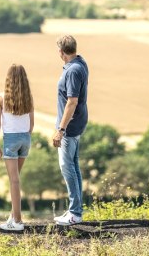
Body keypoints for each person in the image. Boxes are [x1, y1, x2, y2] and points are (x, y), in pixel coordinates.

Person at [53, 35, 89, 226]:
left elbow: (72, 101)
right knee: (74, 166)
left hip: (70, 126)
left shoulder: (73, 70)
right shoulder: (80, 63)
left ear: (61, 52)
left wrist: (61, 129)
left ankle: (75, 213)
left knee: (67, 167)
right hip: (76, 123)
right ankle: (75, 209)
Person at [0, 64, 34, 231]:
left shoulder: (0, 98)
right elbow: (32, 123)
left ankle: (17, 220)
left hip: (10, 139)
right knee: (16, 179)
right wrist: (26, 136)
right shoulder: (29, 97)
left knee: (14, 180)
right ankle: (12, 217)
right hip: (25, 138)